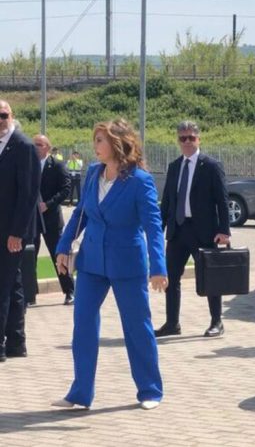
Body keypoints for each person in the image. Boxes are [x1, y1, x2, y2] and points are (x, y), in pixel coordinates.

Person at [53, 119, 168, 410]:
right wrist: (63, 247)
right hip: (92, 262)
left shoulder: (140, 180)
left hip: (127, 263)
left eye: (100, 140)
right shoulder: (93, 173)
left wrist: (158, 267)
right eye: (95, 140)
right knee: (83, 325)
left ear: (117, 143)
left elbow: (153, 227)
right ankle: (80, 393)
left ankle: (150, 390)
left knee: (137, 326)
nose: (95, 146)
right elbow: (80, 214)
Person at [156, 120, 231, 338]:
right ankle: (172, 323)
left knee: (210, 278)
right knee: (171, 277)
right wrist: (158, 229)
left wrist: (224, 230)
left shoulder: (211, 166)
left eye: (191, 137)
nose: (187, 142)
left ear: (199, 139)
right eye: (183, 138)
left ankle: (216, 321)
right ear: (178, 141)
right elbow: (167, 201)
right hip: (178, 231)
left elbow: (222, 200)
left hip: (204, 232)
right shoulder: (174, 167)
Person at [0, 100, 41, 362]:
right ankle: (16, 342)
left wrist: (17, 232)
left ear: (11, 115)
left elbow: (28, 194)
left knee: (2, 285)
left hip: (11, 232)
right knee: (12, 283)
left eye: (3, 115)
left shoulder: (23, 146)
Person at [33, 134, 75, 306]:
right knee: (29, 258)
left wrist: (48, 204)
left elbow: (66, 189)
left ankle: (70, 291)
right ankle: (30, 294)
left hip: (51, 219)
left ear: (48, 148)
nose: (35, 147)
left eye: (39, 144)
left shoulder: (57, 165)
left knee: (59, 255)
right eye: (33, 144)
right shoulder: (28, 165)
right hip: (32, 219)